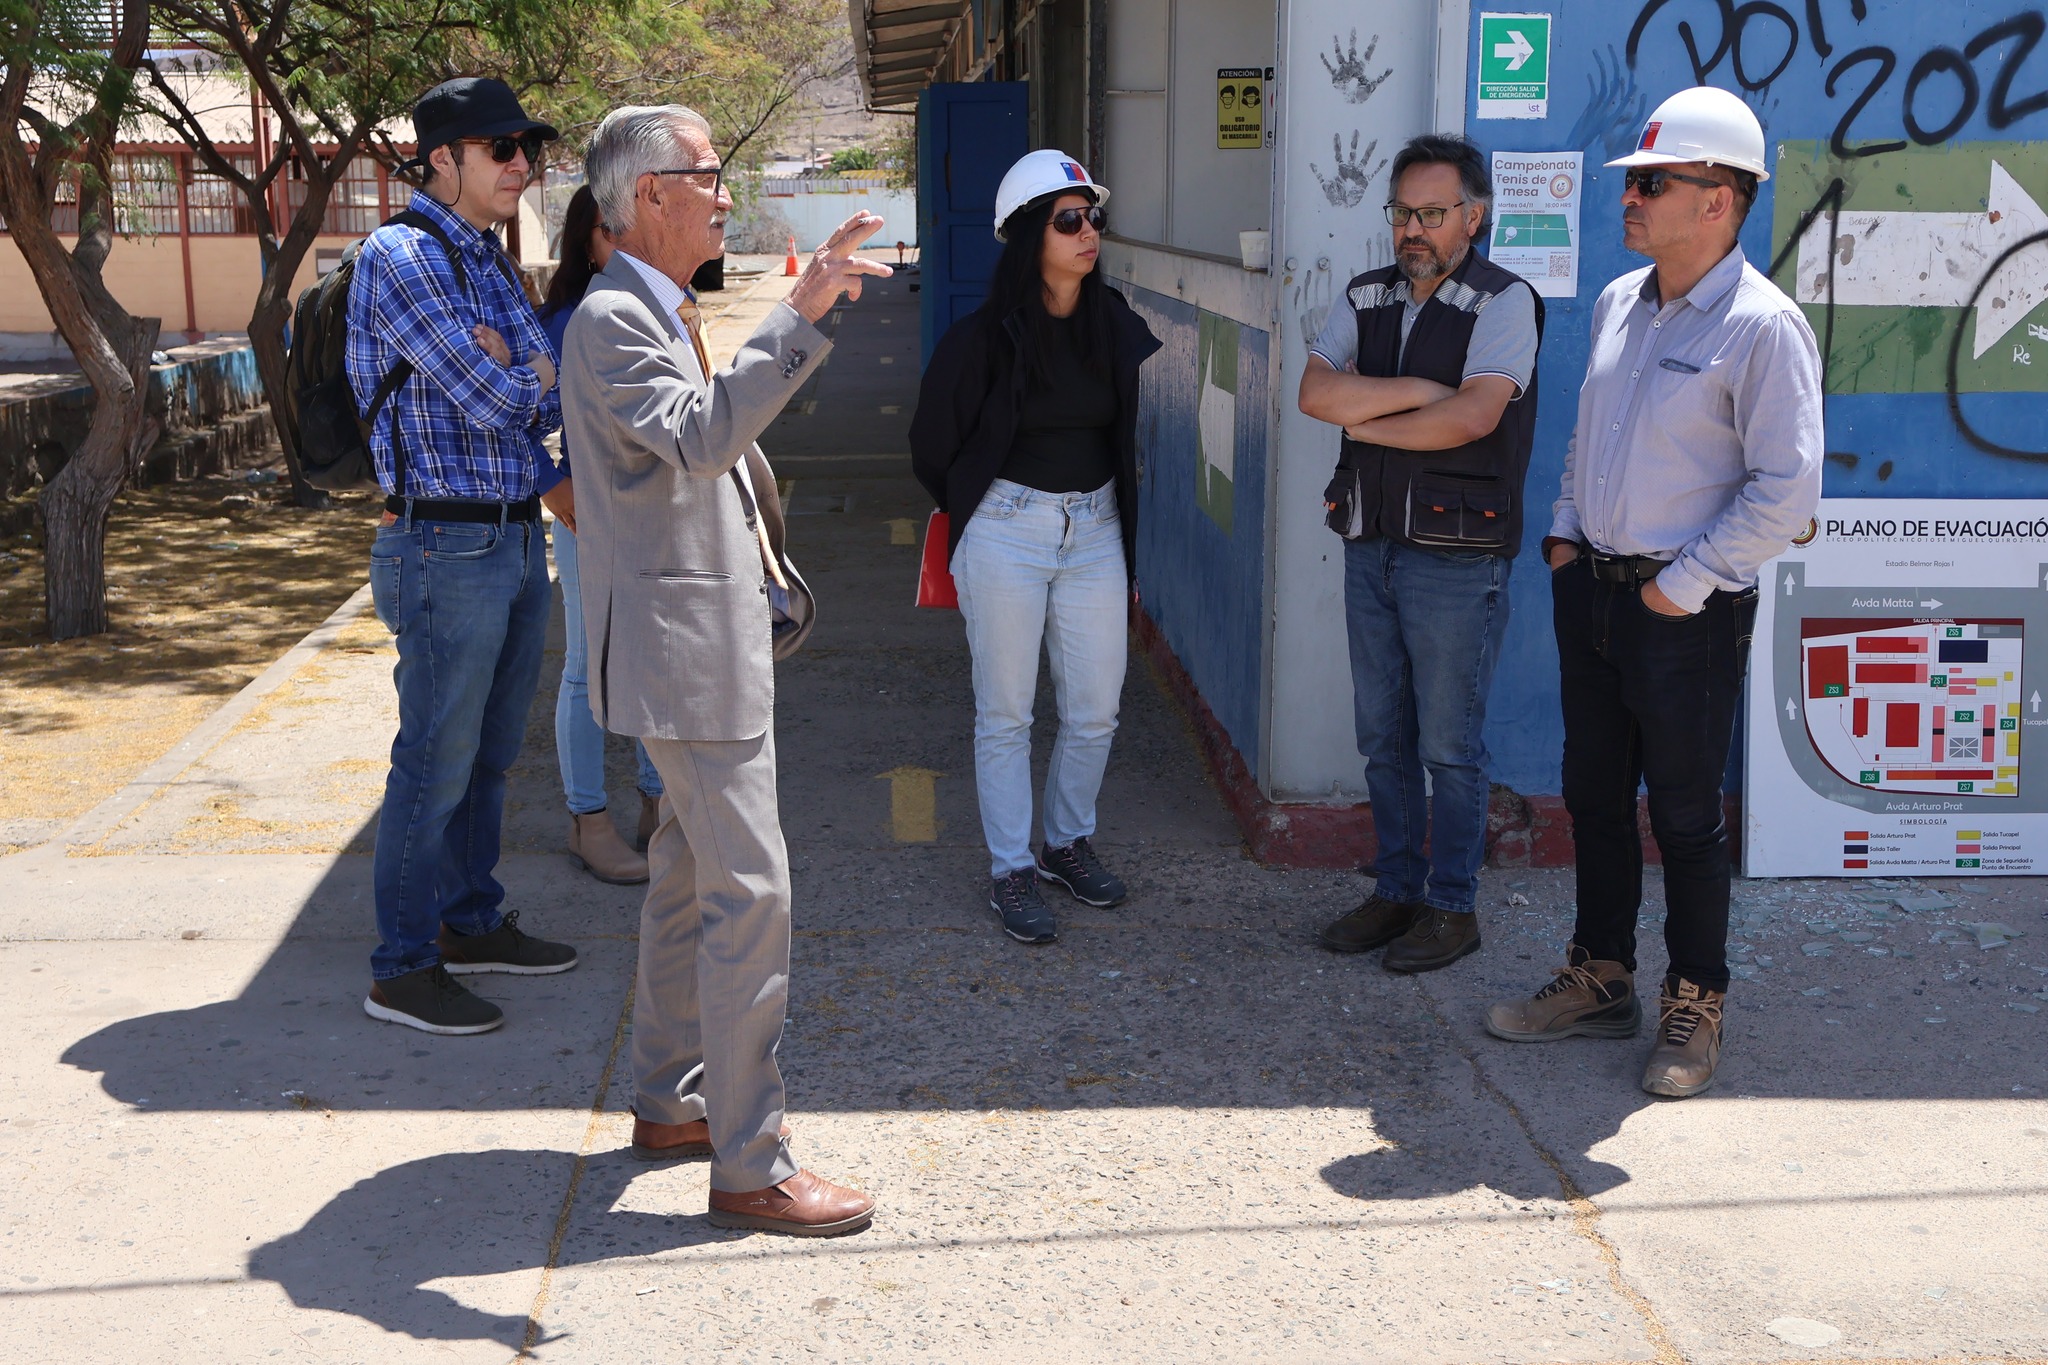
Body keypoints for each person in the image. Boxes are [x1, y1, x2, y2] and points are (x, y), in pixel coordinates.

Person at [561, 104, 889, 1235]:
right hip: (681, 656)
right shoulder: (613, 317)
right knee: (751, 894)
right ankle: (751, 1163)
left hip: (690, 643)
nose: (723, 194)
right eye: (706, 175)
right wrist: (797, 316)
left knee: (689, 879)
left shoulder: (648, 305)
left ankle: (671, 1100)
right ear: (648, 193)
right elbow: (703, 436)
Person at [1484, 88, 1822, 1099]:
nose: (1628, 198)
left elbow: (1787, 490)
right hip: (1588, 587)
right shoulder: (1618, 301)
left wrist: (1682, 586)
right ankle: (1600, 976)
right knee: (1592, 796)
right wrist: (1559, 527)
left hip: (1684, 612)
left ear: (1717, 200)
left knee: (1681, 814)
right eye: (1632, 183)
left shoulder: (1762, 329)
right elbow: (1596, 434)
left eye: (1649, 182)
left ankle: (1695, 999)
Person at [350, 76, 578, 1036]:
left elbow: (548, 385)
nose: (520, 163)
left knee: (488, 756)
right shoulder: (398, 255)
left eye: (525, 145)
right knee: (433, 763)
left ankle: (469, 920)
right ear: (440, 158)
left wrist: (516, 364)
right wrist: (519, 370)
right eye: (500, 147)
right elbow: (499, 398)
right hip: (443, 538)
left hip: (514, 529)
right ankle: (401, 966)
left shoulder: (486, 255)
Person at [1298, 133, 1542, 974]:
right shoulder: (1365, 292)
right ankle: (1396, 890)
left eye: (1432, 214)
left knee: (1448, 743)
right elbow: (1315, 391)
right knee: (1383, 738)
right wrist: (1408, 395)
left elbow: (1474, 417)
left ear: (1471, 218)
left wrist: (1366, 423)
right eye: (1403, 212)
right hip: (1372, 547)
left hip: (1457, 557)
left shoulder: (1506, 301)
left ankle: (1452, 905)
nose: (1413, 229)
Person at [908, 149, 1161, 945]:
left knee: (1095, 708)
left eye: (1094, 218)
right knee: (1007, 712)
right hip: (1006, 532)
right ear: (1027, 235)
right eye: (1069, 219)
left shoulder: (1110, 320)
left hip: (1095, 530)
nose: (1089, 233)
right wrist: (986, 514)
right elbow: (933, 446)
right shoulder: (980, 340)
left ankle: (1065, 843)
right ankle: (1011, 866)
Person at [535, 186, 664, 885]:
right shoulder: (560, 322)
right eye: (609, 233)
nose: (623, 247)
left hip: (655, 520)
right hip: (591, 524)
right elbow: (522, 419)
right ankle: (588, 819)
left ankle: (656, 806)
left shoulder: (662, 314)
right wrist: (557, 488)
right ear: (585, 239)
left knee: (648, 661)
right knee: (588, 670)